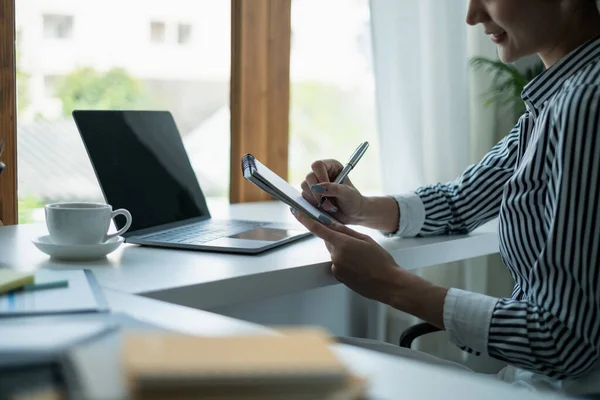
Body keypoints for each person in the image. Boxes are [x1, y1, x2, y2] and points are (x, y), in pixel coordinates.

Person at [293, 0, 600, 396]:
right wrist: (363, 207)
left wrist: (391, 284)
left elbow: (565, 340)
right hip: (530, 382)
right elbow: (460, 202)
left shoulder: (586, 104)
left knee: (298, 368)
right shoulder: (556, 100)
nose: (472, 16)